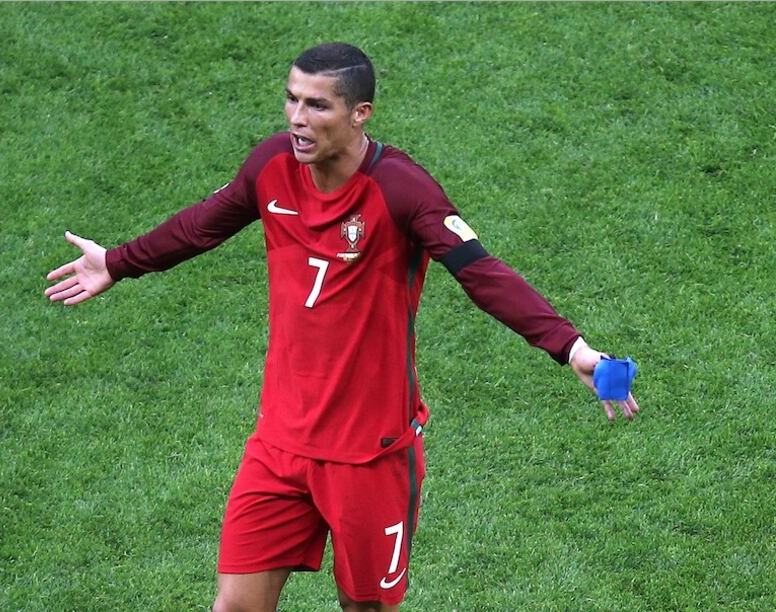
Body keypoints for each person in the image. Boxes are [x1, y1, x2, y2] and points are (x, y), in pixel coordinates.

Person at [45, 42, 640, 612]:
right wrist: (117, 262)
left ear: (360, 114)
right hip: (279, 444)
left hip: (370, 456)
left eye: (317, 105)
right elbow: (201, 225)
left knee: (365, 606)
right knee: (236, 605)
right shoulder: (271, 166)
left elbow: (481, 273)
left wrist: (571, 348)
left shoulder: (401, 189)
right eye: (291, 99)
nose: (297, 118)